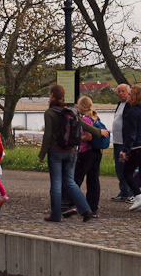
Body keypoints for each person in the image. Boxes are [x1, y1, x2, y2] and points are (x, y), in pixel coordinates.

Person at [38, 84, 100, 222]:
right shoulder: (71, 111)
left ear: (52, 96)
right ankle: (86, 209)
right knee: (70, 182)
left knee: (56, 182)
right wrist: (98, 132)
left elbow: (47, 135)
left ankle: (55, 215)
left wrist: (42, 154)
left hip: (55, 152)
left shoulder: (50, 113)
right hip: (71, 152)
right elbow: (84, 126)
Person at [64, 97, 103, 218]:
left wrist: (76, 139)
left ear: (81, 107)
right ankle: (93, 207)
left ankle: (74, 204)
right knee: (93, 180)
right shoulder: (96, 117)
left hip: (86, 152)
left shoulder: (85, 119)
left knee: (77, 178)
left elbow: (89, 137)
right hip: (96, 152)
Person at [119, 84, 141, 211]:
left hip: (135, 147)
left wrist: (125, 149)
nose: (128, 95)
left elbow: (131, 133)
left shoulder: (132, 112)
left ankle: (138, 196)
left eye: (130, 94)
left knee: (127, 173)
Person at [111, 83, 134, 202]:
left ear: (129, 92)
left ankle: (131, 192)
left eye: (123, 91)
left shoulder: (131, 106)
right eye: (119, 91)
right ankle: (123, 191)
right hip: (117, 141)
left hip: (125, 143)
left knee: (128, 168)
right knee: (119, 168)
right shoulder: (120, 104)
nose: (121, 94)